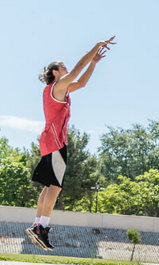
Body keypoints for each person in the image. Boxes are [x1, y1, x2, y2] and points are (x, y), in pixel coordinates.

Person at [27, 37, 116, 251]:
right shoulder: (57, 86)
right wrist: (96, 46)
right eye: (62, 66)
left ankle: (37, 223)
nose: (66, 68)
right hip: (56, 140)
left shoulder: (57, 90)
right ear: (55, 72)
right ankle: (42, 227)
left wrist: (93, 63)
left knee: (49, 185)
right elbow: (76, 72)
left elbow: (82, 83)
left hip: (49, 139)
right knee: (55, 187)